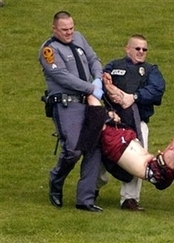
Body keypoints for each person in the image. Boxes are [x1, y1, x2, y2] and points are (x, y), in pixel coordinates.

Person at [38, 11, 104, 212]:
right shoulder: (49, 50)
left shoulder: (79, 38)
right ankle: (56, 180)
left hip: (90, 101)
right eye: (64, 30)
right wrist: (91, 88)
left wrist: (98, 78)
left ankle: (85, 199)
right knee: (73, 149)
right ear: (54, 29)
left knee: (94, 147)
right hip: (68, 104)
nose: (69, 33)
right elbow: (62, 76)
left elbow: (94, 59)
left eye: (71, 28)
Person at [97, 34, 165, 211]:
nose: (141, 52)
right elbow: (100, 86)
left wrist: (133, 97)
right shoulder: (113, 66)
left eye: (144, 49)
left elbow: (157, 90)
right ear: (127, 48)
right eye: (137, 48)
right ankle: (92, 189)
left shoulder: (151, 70)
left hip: (137, 124)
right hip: (112, 123)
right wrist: (110, 91)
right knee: (100, 157)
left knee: (138, 161)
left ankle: (130, 199)